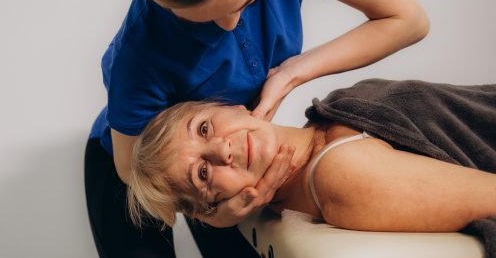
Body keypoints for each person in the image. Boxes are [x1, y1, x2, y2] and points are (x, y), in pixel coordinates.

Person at [84, 0, 429, 257]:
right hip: (135, 170)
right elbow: (132, 170)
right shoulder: (142, 46)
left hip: (225, 172)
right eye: (202, 19)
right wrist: (215, 214)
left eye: (246, 2)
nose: (230, 25)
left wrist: (292, 72)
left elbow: (407, 19)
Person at [127, 79, 496, 257]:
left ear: (231, 107)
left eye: (205, 128)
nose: (222, 150)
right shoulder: (340, 174)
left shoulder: (328, 112)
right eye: (202, 174)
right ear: (216, 206)